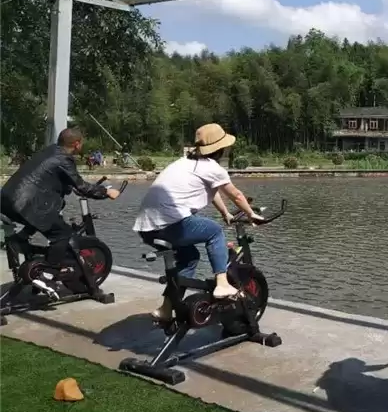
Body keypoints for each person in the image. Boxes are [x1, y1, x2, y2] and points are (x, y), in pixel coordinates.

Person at [132, 123, 263, 321]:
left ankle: (166, 309)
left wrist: (225, 212)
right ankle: (222, 282)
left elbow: (213, 191)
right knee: (215, 232)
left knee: (190, 257)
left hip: (147, 228)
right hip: (170, 225)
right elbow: (236, 194)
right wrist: (251, 214)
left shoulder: (184, 162)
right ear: (220, 149)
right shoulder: (212, 168)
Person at [0, 128, 122, 296]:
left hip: (7, 199)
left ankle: (20, 239)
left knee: (51, 212)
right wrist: (106, 192)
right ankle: (47, 274)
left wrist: (73, 186)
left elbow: (55, 178)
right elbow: (82, 187)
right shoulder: (65, 158)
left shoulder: (50, 151)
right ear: (77, 144)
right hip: (25, 204)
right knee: (62, 234)